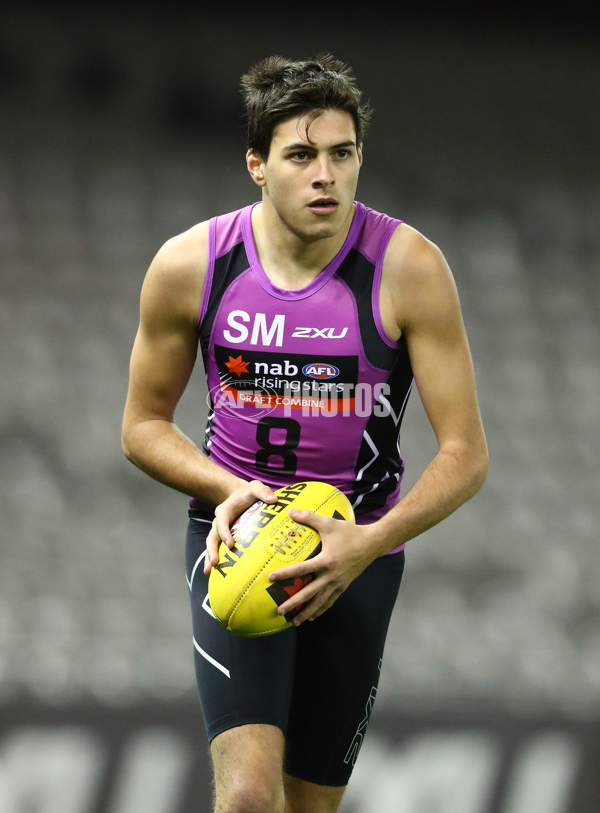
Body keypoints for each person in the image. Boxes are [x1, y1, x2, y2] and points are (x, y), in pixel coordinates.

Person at [122, 53, 488, 813]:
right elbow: (141, 426)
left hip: (358, 554)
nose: (326, 175)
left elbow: (467, 453)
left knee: (310, 807)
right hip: (236, 542)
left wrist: (368, 544)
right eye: (301, 155)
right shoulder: (193, 265)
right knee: (251, 797)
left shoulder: (409, 267)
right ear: (256, 164)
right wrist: (231, 491)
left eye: (342, 154)